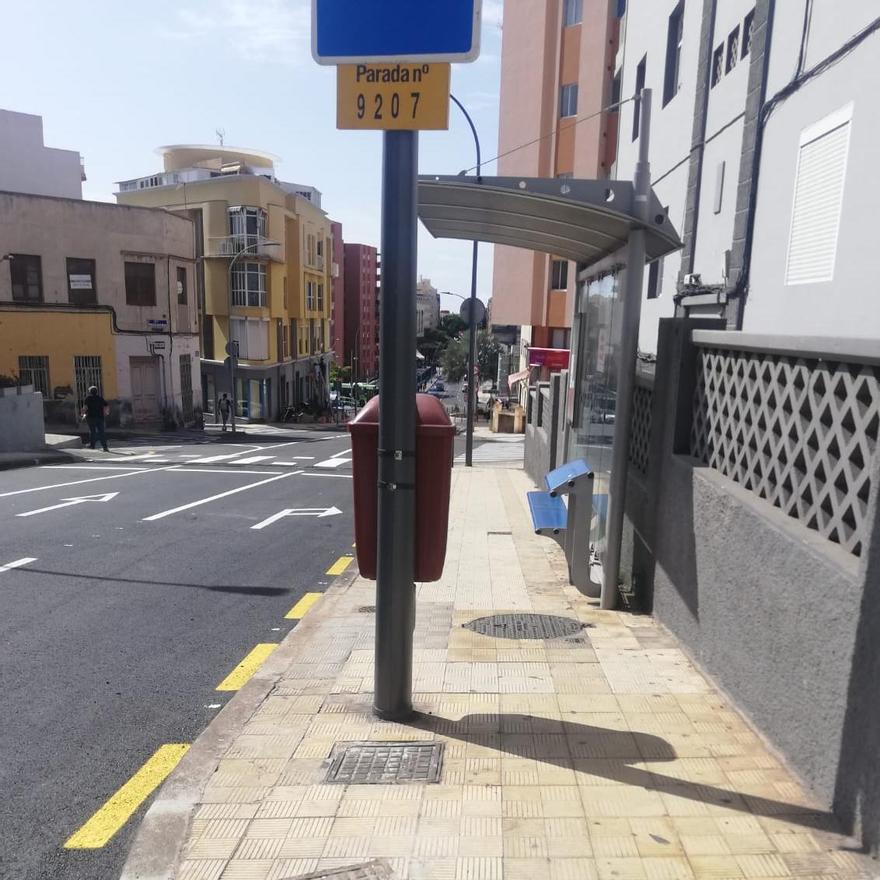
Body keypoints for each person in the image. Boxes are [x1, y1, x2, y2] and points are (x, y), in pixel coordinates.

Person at [81, 386, 109, 451]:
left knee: (92, 431)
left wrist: (82, 414)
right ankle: (105, 447)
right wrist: (106, 413)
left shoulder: (88, 398)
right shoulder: (100, 398)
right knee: (101, 432)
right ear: (96, 391)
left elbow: (85, 408)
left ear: (90, 392)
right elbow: (106, 405)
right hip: (100, 417)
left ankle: (92, 445)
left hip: (91, 417)